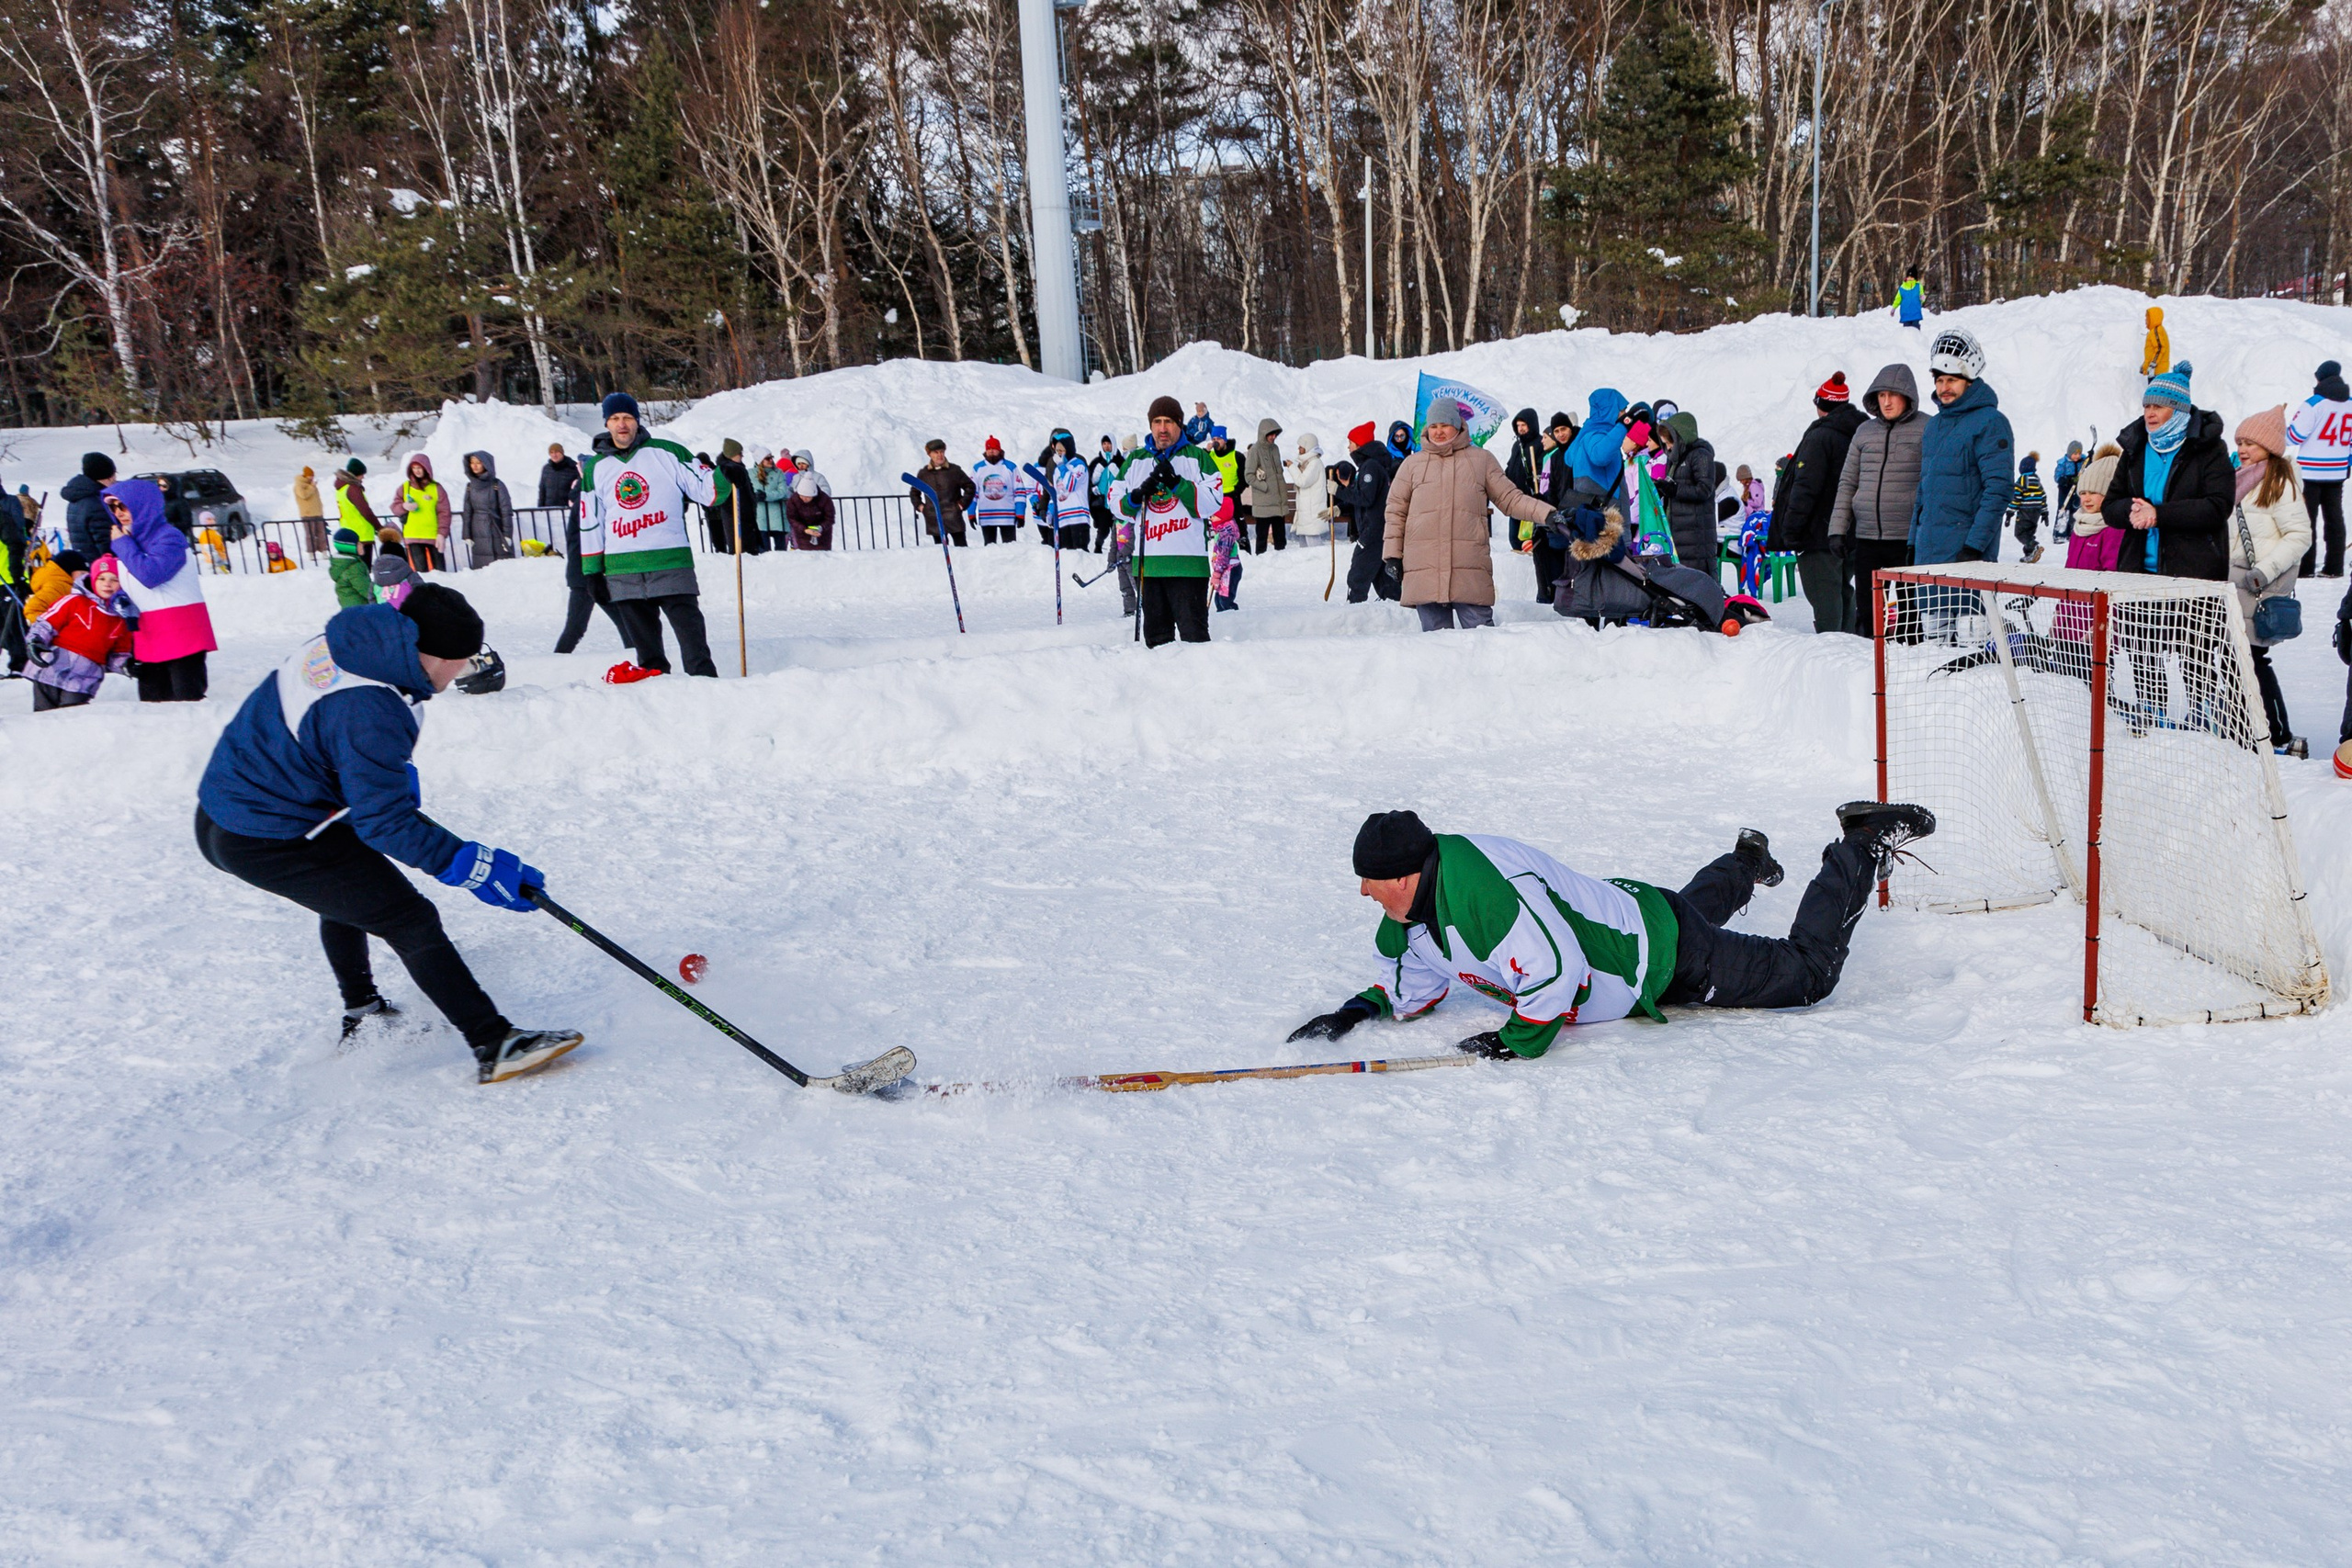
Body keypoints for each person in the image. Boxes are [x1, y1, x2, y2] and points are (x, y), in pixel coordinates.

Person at [194, 582, 581, 1085]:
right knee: (408, 917)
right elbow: (384, 823)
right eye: (459, 662)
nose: (461, 672)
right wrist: (473, 866)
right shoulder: (369, 707)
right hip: (264, 833)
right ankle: (494, 1043)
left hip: (244, 806)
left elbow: (332, 744)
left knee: (354, 890)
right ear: (430, 655)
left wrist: (378, 778)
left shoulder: (361, 643)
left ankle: (364, 1011)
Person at [1283, 802, 1938, 1059]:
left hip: (1660, 956)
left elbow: (1558, 971)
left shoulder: (1486, 890)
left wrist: (1517, 1040)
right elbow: (1413, 976)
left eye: (1371, 879)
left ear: (1404, 874)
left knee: (1808, 972)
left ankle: (1861, 840)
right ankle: (1745, 859)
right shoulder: (1410, 909)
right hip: (1635, 916)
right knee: (1686, 909)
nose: (1363, 891)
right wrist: (1356, 1010)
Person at [1382, 395, 1554, 631]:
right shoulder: (1412, 465)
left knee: (1482, 640)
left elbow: (1511, 499)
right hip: (1425, 569)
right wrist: (1392, 555)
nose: (1439, 431)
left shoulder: (1480, 460)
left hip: (1469, 569)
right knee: (1436, 647)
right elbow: (1395, 512)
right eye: (1433, 426)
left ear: (1458, 425)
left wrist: (1548, 514)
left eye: (1444, 425)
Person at [580, 391, 719, 682]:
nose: (622, 424)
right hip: (623, 569)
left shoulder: (668, 452)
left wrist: (724, 475)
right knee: (649, 658)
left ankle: (708, 689)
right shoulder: (594, 468)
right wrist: (592, 573)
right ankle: (656, 702)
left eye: (628, 418)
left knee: (694, 645)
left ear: (637, 421)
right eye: (615, 418)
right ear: (607, 423)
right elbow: (591, 522)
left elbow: (709, 492)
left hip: (671, 562)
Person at [2228, 404, 2312, 754]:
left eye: (2251, 443)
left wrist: (2264, 571)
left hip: (2258, 584)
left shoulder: (2279, 483)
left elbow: (2299, 535)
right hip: (2233, 581)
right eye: (2240, 441)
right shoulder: (2240, 478)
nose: (2243, 449)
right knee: (2231, 659)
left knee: (2253, 660)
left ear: (2270, 447)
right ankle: (2241, 728)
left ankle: (2278, 734)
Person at [2101, 361, 2231, 581]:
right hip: (2137, 574)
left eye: (2159, 406)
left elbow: (2218, 507)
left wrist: (2159, 515)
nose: (2150, 413)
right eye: (2147, 406)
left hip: (2192, 578)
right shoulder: (2136, 449)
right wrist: (2130, 509)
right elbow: (2110, 506)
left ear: (2179, 409)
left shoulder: (2209, 449)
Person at [1109, 394, 1220, 646]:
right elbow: (1115, 502)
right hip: (1149, 565)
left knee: (1195, 638)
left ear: (1180, 424)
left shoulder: (1197, 457)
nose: (1162, 428)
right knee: (1157, 641)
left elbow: (1213, 500)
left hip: (1188, 564)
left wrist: (1177, 484)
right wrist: (1135, 498)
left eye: (1168, 421)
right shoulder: (1136, 460)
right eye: (1157, 421)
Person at [1829, 362, 1927, 633]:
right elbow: (1848, 482)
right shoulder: (1864, 432)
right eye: (1881, 396)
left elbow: (1932, 485)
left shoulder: (1927, 428)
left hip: (1907, 540)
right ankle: (1868, 663)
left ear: (1907, 395)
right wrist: (1837, 530)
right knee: (1868, 610)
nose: (1886, 402)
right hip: (1868, 538)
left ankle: (1908, 664)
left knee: (1910, 611)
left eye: (1892, 395)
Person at [1910, 326, 2014, 570]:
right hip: (1928, 555)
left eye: (1952, 380)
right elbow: (1923, 492)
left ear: (1969, 382)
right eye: (1940, 380)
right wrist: (1912, 543)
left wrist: (1974, 547)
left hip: (1966, 555)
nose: (1944, 387)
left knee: (1968, 611)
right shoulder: (1933, 426)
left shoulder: (1991, 422)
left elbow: (1998, 490)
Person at [1771, 372, 1866, 634]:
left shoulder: (1820, 438)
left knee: (1825, 598)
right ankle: (1847, 647)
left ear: (1820, 406)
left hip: (1817, 533)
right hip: (1849, 530)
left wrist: (1790, 528)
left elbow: (1806, 488)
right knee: (1842, 591)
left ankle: (1831, 654)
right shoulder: (1858, 434)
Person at [106, 479, 217, 701]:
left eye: (123, 505)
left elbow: (150, 575)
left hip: (181, 631)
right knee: (153, 710)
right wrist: (120, 598)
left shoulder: (169, 536)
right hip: (148, 634)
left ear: (142, 504)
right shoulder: (127, 541)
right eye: (113, 507)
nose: (118, 513)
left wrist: (122, 545)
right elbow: (129, 581)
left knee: (187, 704)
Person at [24, 551, 135, 710]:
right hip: (52, 667)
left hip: (84, 678)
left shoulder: (123, 617)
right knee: (43, 718)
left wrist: (126, 665)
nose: (107, 584)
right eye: (101, 578)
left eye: (114, 580)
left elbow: (118, 653)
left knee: (71, 719)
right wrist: (35, 641)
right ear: (93, 579)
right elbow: (46, 623)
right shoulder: (74, 601)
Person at [2288, 359, 2349, 578]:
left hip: (2311, 472)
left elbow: (2295, 436)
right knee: (2335, 518)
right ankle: (2335, 567)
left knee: (2307, 519)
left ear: (2320, 378)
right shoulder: (2350, 403)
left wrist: (2280, 433)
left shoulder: (2313, 403)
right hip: (2338, 470)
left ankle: (2304, 569)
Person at [1656, 411, 1723, 571]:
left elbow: (1704, 490)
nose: (1668, 447)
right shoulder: (1675, 459)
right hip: (1679, 530)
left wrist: (1674, 490)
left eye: (1670, 442)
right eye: (1665, 443)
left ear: (1681, 437)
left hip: (1696, 534)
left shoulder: (1701, 456)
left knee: (1698, 578)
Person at [1340, 421, 1398, 604]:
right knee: (1381, 574)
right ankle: (1393, 606)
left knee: (1359, 572)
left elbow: (1366, 498)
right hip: (1377, 528)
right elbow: (1364, 500)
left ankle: (1354, 608)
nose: (1348, 446)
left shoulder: (1370, 467)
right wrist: (1339, 507)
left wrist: (1338, 491)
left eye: (1351, 442)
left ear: (1359, 445)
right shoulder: (1368, 466)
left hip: (1373, 530)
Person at [390, 453, 450, 572]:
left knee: (440, 570)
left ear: (426, 468)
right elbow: (394, 507)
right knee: (421, 571)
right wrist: (404, 506)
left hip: (433, 535)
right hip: (413, 535)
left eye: (419, 467)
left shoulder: (436, 488)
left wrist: (442, 534)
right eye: (414, 468)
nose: (417, 471)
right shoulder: (405, 487)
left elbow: (444, 512)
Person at [911, 440, 974, 547]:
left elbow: (970, 487)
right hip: (934, 517)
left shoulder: (954, 470)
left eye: (942, 451)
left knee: (962, 549)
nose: (940, 455)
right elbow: (914, 493)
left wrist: (961, 504)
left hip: (953, 516)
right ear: (929, 454)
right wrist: (921, 507)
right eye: (936, 452)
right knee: (941, 551)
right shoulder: (924, 474)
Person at [459, 451, 515, 566]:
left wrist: (507, 535)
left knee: (502, 566)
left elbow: (506, 511)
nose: (474, 466)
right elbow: (468, 512)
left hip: (496, 529)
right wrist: (467, 534)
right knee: (482, 568)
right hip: (478, 531)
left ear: (486, 464)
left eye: (478, 463)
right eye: (472, 462)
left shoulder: (497, 485)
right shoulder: (470, 487)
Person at [1243, 417, 1288, 553]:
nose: (1273, 437)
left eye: (1275, 434)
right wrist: (1265, 487)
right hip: (1263, 504)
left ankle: (1282, 564)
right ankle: (1261, 565)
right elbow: (1248, 476)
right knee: (1262, 539)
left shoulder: (1275, 449)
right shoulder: (1255, 450)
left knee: (1281, 539)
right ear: (1263, 433)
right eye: (1271, 434)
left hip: (1278, 502)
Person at [970, 437, 1024, 545]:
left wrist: (1020, 513)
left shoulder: (1010, 467)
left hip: (1007, 516)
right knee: (990, 549)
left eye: (994, 449)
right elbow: (973, 493)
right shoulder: (978, 468)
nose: (991, 451)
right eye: (989, 449)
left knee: (1011, 548)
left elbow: (1020, 491)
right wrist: (971, 513)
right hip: (987, 516)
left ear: (999, 450)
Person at [63, 453, 115, 558]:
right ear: (107, 476)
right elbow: (105, 543)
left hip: (85, 562)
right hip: (102, 567)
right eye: (114, 475)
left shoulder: (77, 496)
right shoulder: (96, 503)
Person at [334, 459, 381, 565]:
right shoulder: (353, 489)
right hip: (361, 535)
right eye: (362, 474)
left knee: (354, 570)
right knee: (363, 571)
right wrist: (379, 528)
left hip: (348, 533)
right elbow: (365, 511)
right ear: (356, 474)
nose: (363, 477)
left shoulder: (341, 488)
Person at [1288, 433, 1329, 539]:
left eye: (1301, 447)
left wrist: (1292, 467)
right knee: (1305, 547)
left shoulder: (1315, 463)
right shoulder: (1308, 463)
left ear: (1308, 447)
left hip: (1312, 513)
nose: (1298, 449)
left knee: (1313, 546)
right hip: (1306, 513)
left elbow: (1302, 481)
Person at [2010, 453, 2048, 558]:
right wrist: (2045, 512)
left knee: (2020, 533)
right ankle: (2029, 553)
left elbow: (2016, 497)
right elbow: (2043, 496)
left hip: (2025, 511)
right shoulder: (2037, 480)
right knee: (2030, 533)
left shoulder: (2022, 480)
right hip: (2036, 512)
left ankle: (2034, 546)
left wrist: (2010, 511)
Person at [329, 525, 377, 608]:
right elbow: (366, 590)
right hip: (360, 610)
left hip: (350, 608)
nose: (362, 545)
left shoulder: (341, 564)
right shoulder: (354, 567)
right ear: (350, 547)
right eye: (358, 543)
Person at [787, 471, 835, 550]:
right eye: (802, 496)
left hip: (822, 534)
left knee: (822, 555)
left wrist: (820, 527)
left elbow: (830, 518)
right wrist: (804, 529)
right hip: (802, 533)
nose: (804, 499)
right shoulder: (794, 500)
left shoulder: (824, 499)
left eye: (808, 497)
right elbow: (792, 518)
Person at [1089, 435, 1121, 551]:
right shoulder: (1097, 462)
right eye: (1104, 444)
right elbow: (1088, 480)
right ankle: (1098, 546)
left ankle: (1117, 550)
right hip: (1101, 502)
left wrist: (1116, 470)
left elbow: (1126, 478)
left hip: (1116, 501)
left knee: (1117, 528)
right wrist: (1093, 488)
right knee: (1103, 528)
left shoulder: (1120, 461)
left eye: (1109, 443)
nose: (1107, 446)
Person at [293, 465, 327, 558]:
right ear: (305, 475)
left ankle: (324, 551)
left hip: (318, 512)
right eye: (310, 475)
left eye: (312, 475)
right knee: (310, 534)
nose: (312, 477)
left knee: (321, 533)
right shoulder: (299, 485)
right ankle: (311, 553)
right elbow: (303, 495)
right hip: (307, 514)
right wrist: (312, 487)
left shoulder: (311, 484)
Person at [538, 443, 581, 513]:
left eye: (557, 452)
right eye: (551, 452)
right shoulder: (546, 469)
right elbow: (542, 490)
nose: (554, 455)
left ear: (562, 453)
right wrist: (540, 509)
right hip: (548, 511)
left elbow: (578, 489)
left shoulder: (573, 468)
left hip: (568, 511)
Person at [2052, 440, 2085, 521]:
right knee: (2064, 508)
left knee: (2076, 508)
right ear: (2070, 453)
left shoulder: (2083, 460)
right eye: (2075, 454)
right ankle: (2061, 529)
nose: (2077, 456)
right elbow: (2057, 477)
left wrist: (2091, 456)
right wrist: (2067, 480)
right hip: (2065, 490)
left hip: (2077, 489)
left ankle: (2073, 527)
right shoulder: (2063, 463)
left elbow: (2090, 464)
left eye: (2079, 454)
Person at [2140, 305, 2170, 378]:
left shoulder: (2156, 331)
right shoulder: (2156, 330)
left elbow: (2160, 348)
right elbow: (2151, 352)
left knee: (2154, 390)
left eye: (2147, 318)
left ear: (2153, 318)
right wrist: (2145, 366)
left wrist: (2152, 365)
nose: (2145, 320)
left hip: (2157, 371)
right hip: (2157, 370)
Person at [1893, 266, 1925, 330]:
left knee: (1915, 331)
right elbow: (1898, 299)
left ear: (1915, 278)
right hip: (1906, 314)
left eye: (1912, 277)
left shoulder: (1919, 286)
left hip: (1915, 313)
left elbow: (1922, 297)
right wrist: (1894, 308)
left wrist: (1922, 298)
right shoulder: (1902, 287)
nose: (1910, 279)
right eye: (1908, 277)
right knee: (1907, 332)